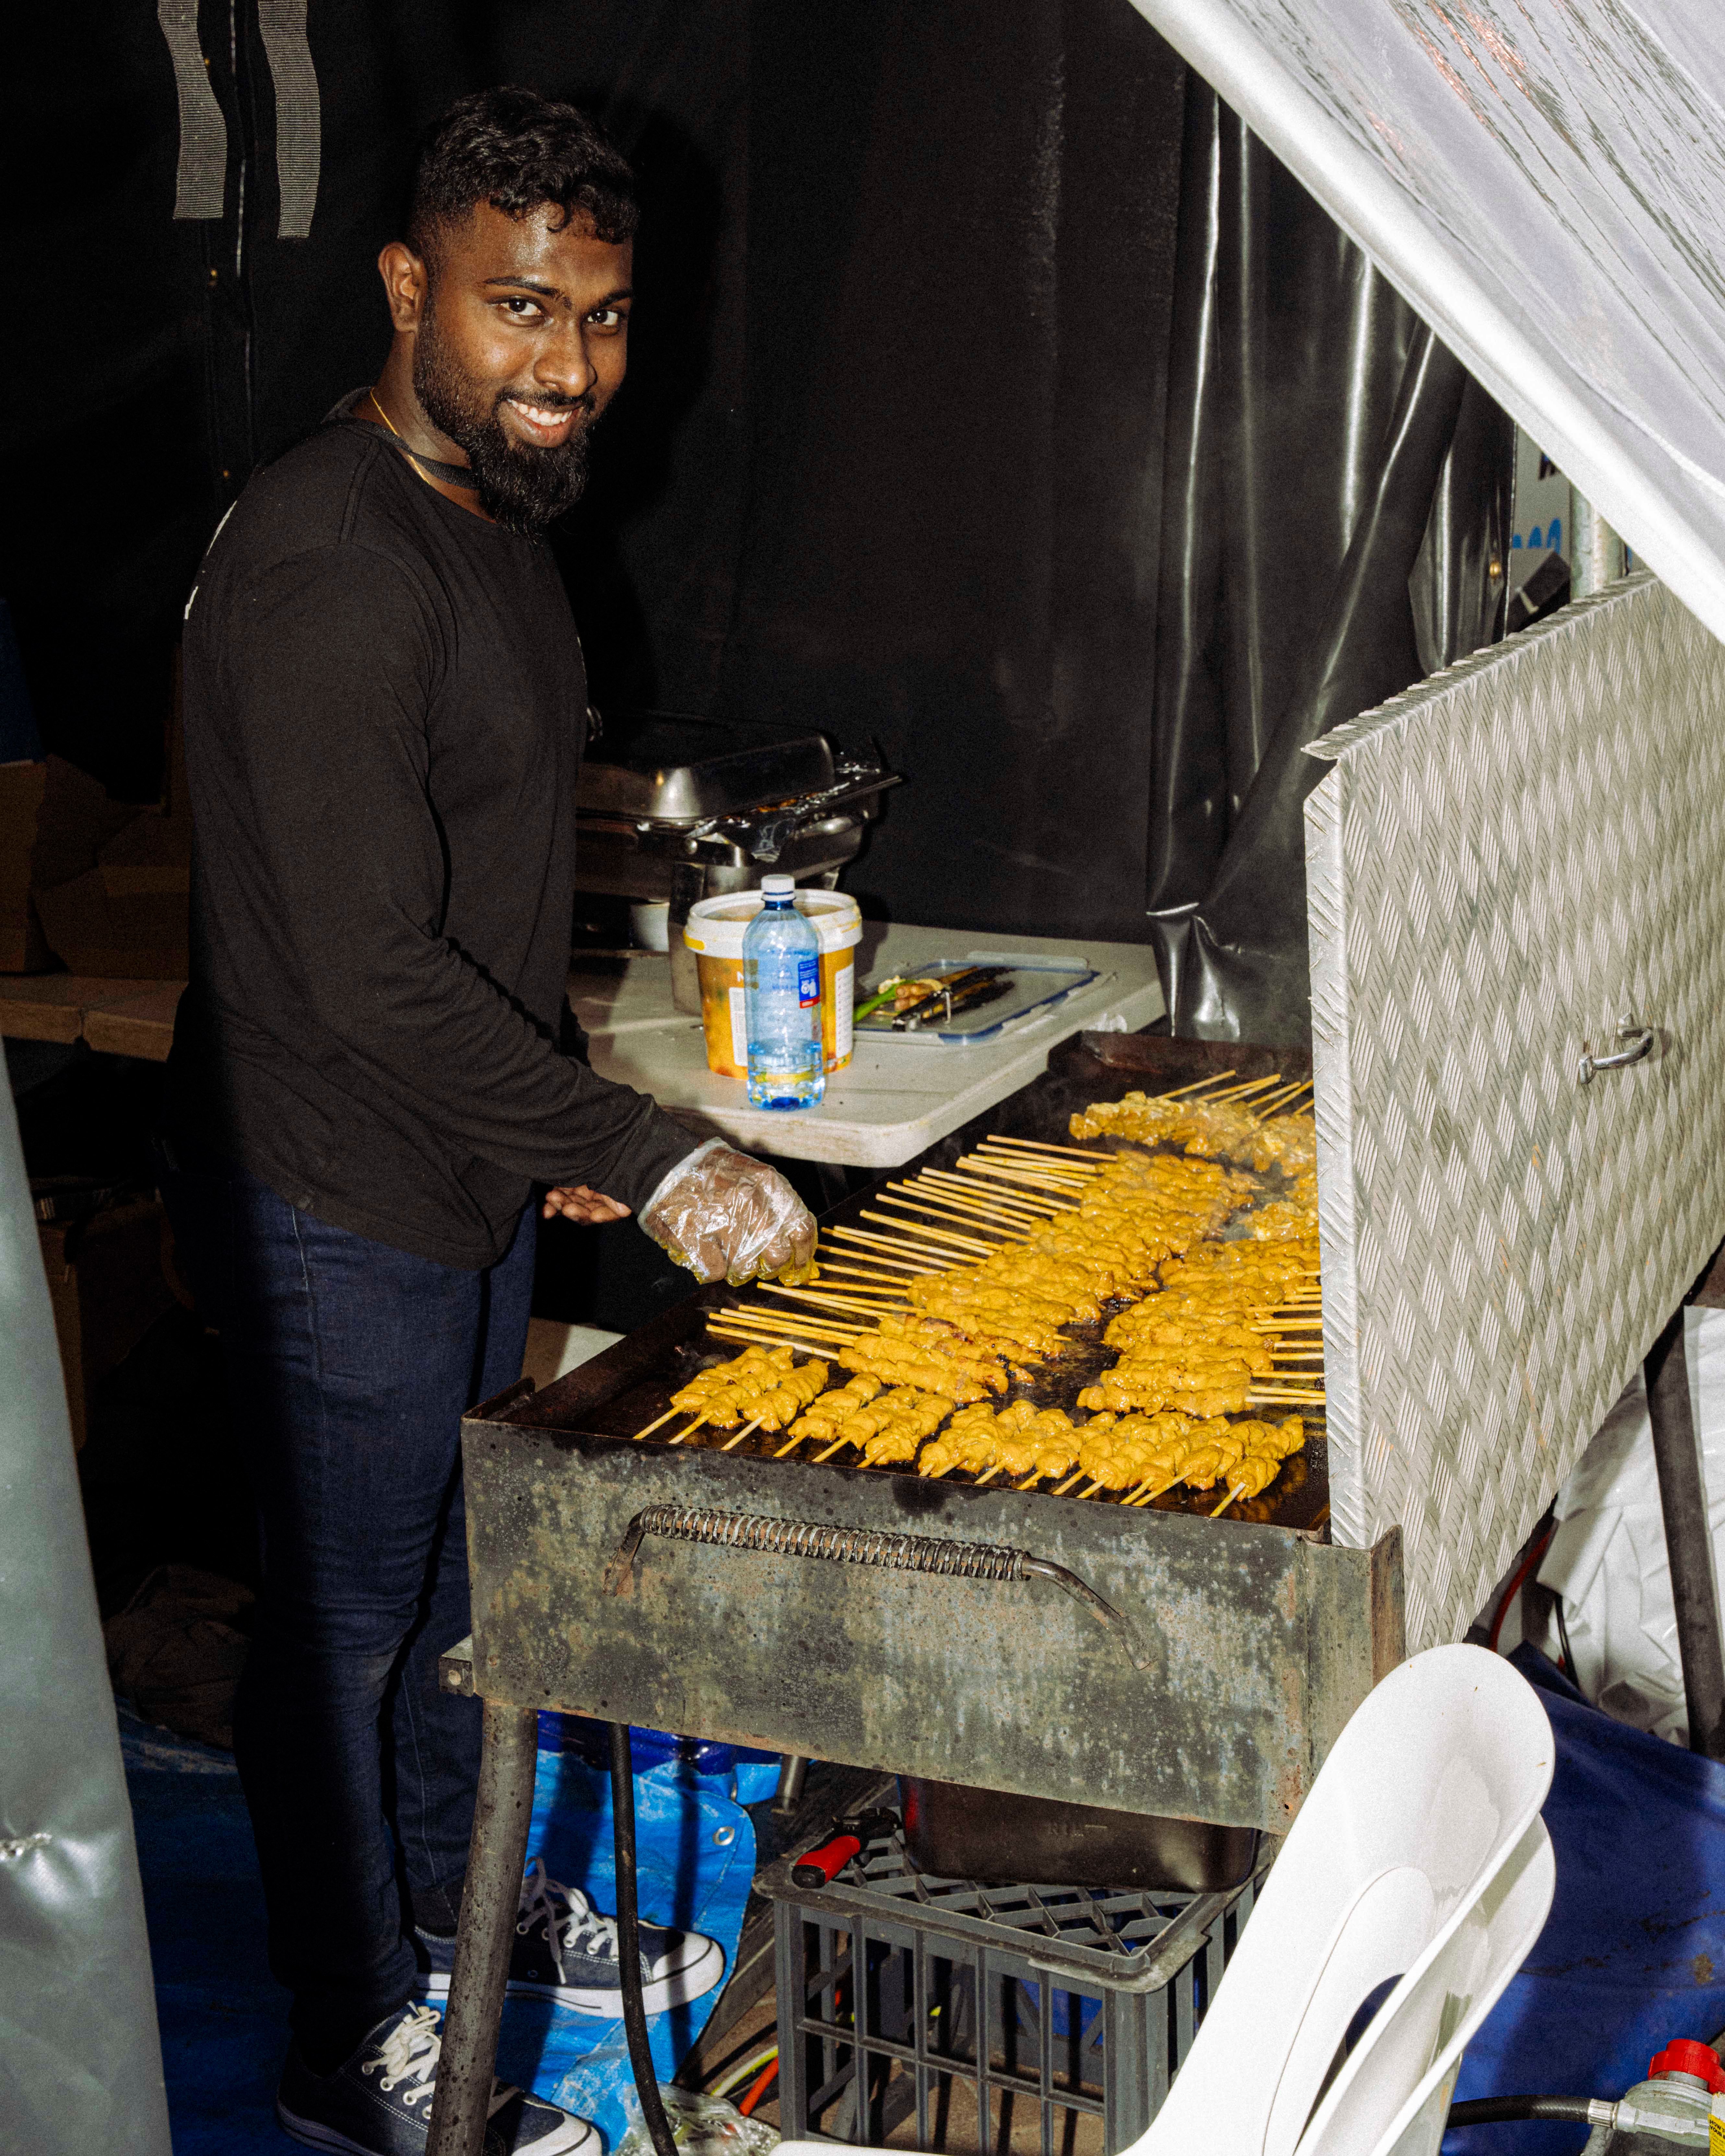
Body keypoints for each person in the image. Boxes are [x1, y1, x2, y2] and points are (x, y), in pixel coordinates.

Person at [158, 85, 815, 2156]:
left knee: (455, 1603)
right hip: (323, 1181)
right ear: (406, 286)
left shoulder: (498, 523)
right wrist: (648, 1149)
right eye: (521, 309)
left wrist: (548, 1102)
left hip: (446, 1167)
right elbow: (361, 968)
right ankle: (351, 2033)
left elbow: (465, 887)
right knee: (346, 1637)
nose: (567, 367)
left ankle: (469, 1909)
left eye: (603, 318)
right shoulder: (332, 559)